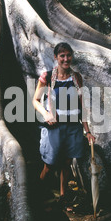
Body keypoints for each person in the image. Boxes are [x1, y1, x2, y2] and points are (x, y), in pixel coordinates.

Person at [33, 42, 95, 203]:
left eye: (68, 55)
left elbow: (82, 105)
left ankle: (63, 196)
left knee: (67, 162)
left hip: (73, 127)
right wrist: (46, 113)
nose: (66, 59)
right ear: (56, 57)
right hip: (54, 127)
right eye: (62, 56)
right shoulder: (47, 77)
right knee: (50, 163)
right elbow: (35, 100)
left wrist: (87, 131)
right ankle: (38, 192)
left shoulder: (76, 78)